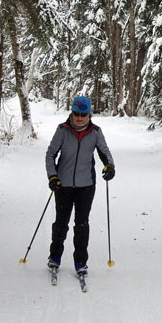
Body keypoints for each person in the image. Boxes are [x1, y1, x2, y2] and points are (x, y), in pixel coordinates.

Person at [45, 96, 115, 277]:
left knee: (82, 225)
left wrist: (110, 167)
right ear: (72, 112)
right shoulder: (62, 130)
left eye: (83, 114)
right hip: (63, 185)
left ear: (89, 114)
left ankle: (81, 261)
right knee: (61, 223)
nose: (79, 117)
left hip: (86, 186)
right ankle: (55, 257)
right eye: (76, 113)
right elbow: (50, 154)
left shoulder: (96, 132)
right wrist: (53, 176)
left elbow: (105, 153)